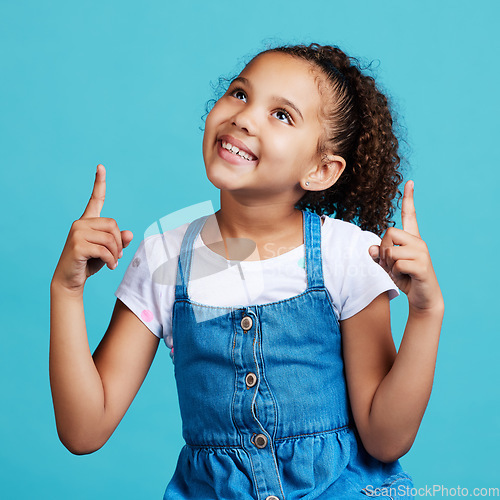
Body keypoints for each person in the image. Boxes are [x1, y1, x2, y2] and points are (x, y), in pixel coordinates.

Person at [50, 43, 444, 499]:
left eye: (282, 115)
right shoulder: (166, 256)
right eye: (239, 93)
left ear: (320, 170)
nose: (244, 116)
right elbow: (84, 430)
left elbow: (386, 438)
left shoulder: (347, 254)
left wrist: (426, 312)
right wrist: (66, 290)